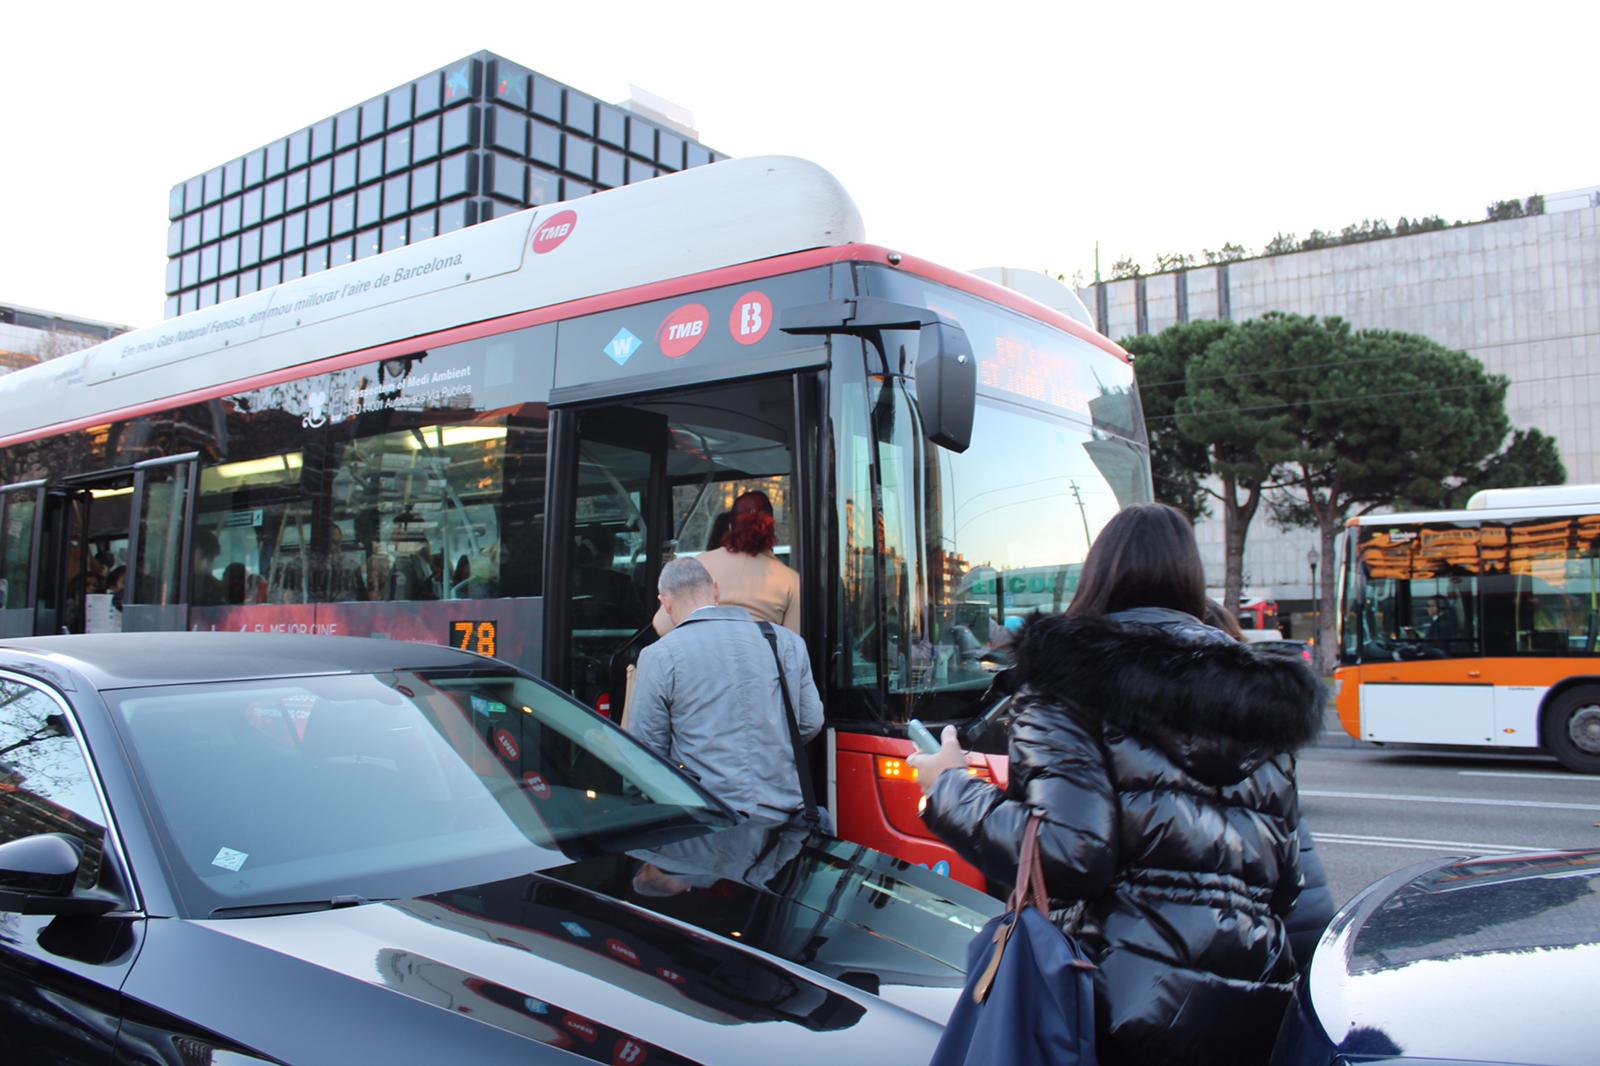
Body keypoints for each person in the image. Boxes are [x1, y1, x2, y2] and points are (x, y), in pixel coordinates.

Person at [908, 503, 1323, 1066]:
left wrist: (950, 786)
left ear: (1098, 573)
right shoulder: (1265, 699)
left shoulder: (1066, 676)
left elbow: (1069, 854)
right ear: (1189, 578)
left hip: (1118, 1000)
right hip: (1251, 1001)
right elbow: (1287, 883)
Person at [627, 557, 823, 821]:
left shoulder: (659, 655)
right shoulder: (786, 642)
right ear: (716, 591)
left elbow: (648, 749)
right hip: (785, 818)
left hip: (706, 821)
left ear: (666, 603)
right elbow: (811, 722)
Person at [1204, 599, 1335, 973]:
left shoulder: (1177, 748)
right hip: (1308, 927)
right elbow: (1292, 860)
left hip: (1255, 943)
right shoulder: (1266, 733)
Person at [696, 490, 800, 632]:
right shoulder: (791, 580)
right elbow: (793, 642)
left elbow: (662, 625)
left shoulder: (698, 565)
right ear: (771, 528)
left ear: (730, 526)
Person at [190, 530, 226, 606]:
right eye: (202, 555)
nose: (205, 563)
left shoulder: (217, 589)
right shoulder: (175, 584)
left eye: (211, 558)